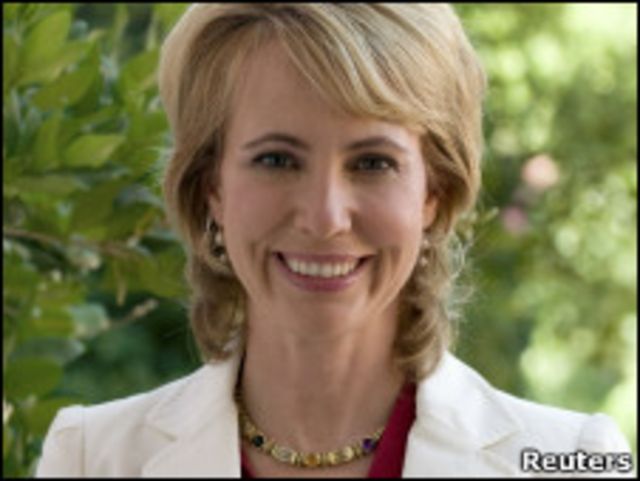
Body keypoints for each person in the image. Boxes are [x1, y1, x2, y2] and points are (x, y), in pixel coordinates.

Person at [36, 3, 633, 478]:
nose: (325, 218)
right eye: (276, 159)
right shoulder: (91, 459)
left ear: (434, 192)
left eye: (372, 163)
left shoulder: (577, 460)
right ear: (211, 187)